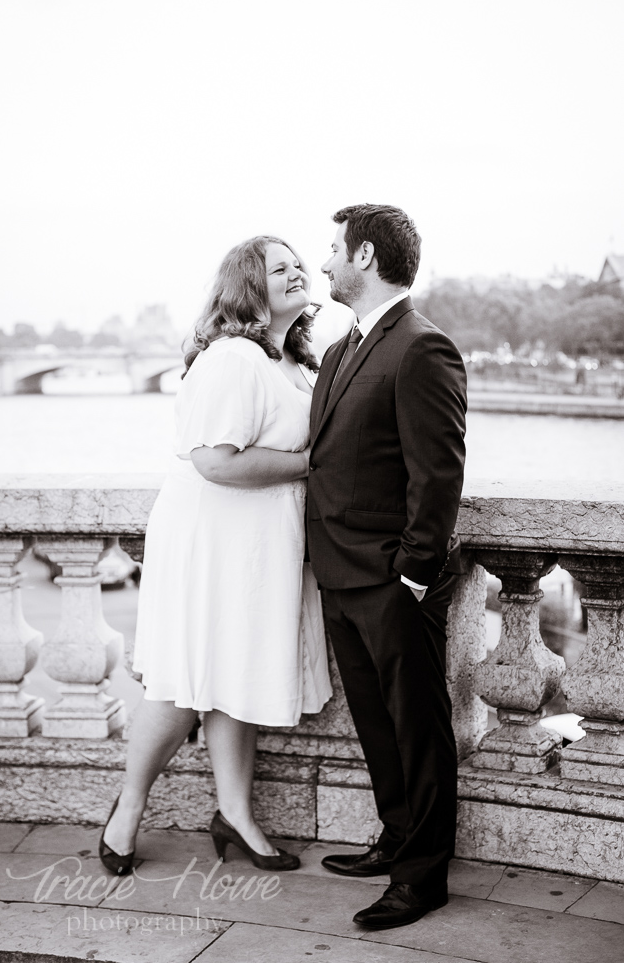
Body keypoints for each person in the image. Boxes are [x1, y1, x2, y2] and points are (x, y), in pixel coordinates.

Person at [99, 235, 332, 875]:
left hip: (262, 542)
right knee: (183, 680)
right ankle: (127, 810)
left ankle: (236, 816)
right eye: (277, 267)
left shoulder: (296, 365)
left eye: (298, 265)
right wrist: (317, 463)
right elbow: (214, 462)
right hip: (213, 538)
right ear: (248, 286)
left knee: (237, 676)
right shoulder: (233, 357)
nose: (295, 273)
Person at [306, 204, 467, 929]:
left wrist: (411, 572)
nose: (323, 263)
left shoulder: (422, 347)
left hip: (389, 580)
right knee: (375, 723)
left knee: (416, 728)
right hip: (339, 574)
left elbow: (436, 475)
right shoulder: (343, 349)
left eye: (332, 250)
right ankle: (395, 837)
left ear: (364, 256)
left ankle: (421, 877)